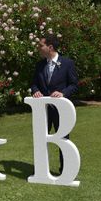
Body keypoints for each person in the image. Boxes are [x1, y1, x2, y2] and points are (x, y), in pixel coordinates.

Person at [31, 33, 78, 174]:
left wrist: (63, 93)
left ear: (50, 47)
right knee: (40, 140)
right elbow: (34, 84)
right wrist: (35, 91)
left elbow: (74, 85)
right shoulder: (39, 65)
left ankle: (65, 171)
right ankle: (41, 171)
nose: (38, 48)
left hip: (61, 110)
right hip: (43, 111)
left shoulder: (67, 63)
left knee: (63, 140)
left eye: (41, 45)